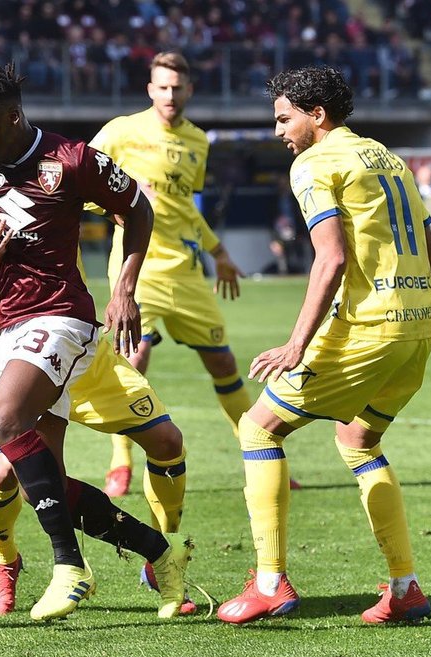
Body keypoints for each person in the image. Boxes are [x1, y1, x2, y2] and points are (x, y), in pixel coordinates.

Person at [217, 66, 431, 626]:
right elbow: (430, 246)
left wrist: (297, 343)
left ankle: (270, 582)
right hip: (418, 328)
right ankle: (405, 587)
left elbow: (332, 257)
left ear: (316, 116)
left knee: (258, 427)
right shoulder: (388, 157)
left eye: (283, 118)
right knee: (359, 438)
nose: (278, 131)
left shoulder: (314, 164)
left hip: (368, 327)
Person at [0, 64, 192, 621]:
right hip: (6, 329)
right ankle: (161, 553)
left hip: (60, 318)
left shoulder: (72, 160)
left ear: (13, 118)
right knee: (38, 480)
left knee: (3, 419)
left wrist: (125, 288)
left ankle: (68, 565)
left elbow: (138, 209)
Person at [89, 52, 300, 496]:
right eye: (162, 87)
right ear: (150, 90)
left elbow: (185, 209)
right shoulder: (120, 131)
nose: (170, 94)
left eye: (177, 87)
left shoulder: (197, 142)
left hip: (185, 272)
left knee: (223, 363)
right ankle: (120, 462)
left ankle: (258, 452)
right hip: (136, 266)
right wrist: (118, 199)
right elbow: (78, 187)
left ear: (189, 90)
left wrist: (219, 252)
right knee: (134, 359)